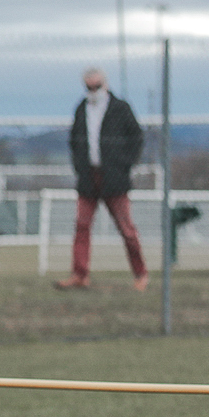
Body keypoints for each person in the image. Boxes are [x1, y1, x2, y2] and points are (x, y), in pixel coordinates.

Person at [56, 68, 148, 291]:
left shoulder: (120, 108)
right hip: (88, 178)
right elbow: (74, 141)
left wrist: (124, 165)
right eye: (89, 87)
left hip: (115, 179)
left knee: (126, 228)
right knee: (82, 226)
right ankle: (79, 274)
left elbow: (137, 137)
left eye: (96, 86)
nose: (93, 91)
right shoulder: (81, 109)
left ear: (105, 84)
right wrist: (80, 166)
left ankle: (140, 274)